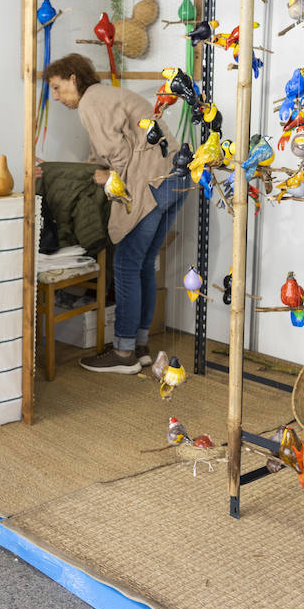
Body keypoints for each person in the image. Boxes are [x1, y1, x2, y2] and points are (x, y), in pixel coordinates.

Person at [43, 52, 186, 374]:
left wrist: (110, 178)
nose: (55, 96)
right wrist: (61, 170)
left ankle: (123, 355)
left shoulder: (91, 101)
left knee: (125, 265)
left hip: (150, 183)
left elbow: (115, 156)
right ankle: (139, 346)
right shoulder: (108, 96)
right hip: (175, 179)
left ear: (73, 78)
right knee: (143, 265)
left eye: (56, 86)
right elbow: (102, 157)